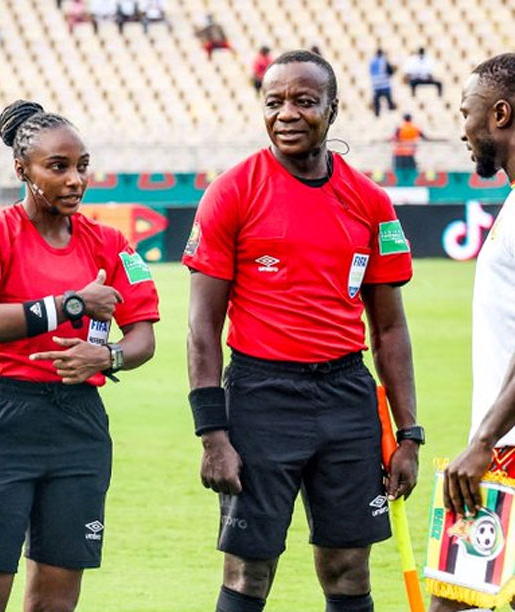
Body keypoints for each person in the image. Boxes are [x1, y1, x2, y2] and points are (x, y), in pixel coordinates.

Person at [183, 50, 421, 612]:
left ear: (332, 111)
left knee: (348, 570)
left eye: (304, 101)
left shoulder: (370, 201)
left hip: (346, 398)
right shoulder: (232, 192)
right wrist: (212, 434)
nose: (287, 113)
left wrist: (409, 433)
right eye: (274, 102)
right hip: (261, 398)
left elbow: (389, 329)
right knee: (249, 570)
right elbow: (201, 328)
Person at [0, 99, 159, 612]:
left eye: (81, 166)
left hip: (77, 426)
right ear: (22, 170)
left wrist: (106, 359)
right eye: (58, 167)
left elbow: (142, 339)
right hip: (1, 420)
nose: (74, 180)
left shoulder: (109, 242)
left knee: (57, 602)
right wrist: (71, 304)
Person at [432, 53, 515, 612]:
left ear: (501, 114)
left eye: (467, 112)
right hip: (499, 444)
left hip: (502, 450)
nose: (461, 127)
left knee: (451, 604)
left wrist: (484, 441)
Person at [369, 49, 396, 117]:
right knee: (389, 100)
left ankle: (377, 113)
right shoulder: (384, 61)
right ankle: (391, 110)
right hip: (384, 85)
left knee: (377, 101)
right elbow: (390, 72)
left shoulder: (372, 62)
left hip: (375, 85)